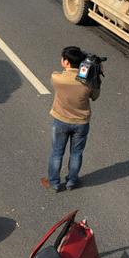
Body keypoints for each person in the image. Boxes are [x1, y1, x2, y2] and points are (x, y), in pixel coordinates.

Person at [42, 46, 101, 192]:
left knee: (57, 152)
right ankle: (71, 182)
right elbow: (95, 96)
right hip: (81, 123)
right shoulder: (88, 83)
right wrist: (95, 77)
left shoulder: (57, 78)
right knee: (76, 153)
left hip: (60, 121)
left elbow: (57, 76)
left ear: (66, 62)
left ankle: (54, 183)